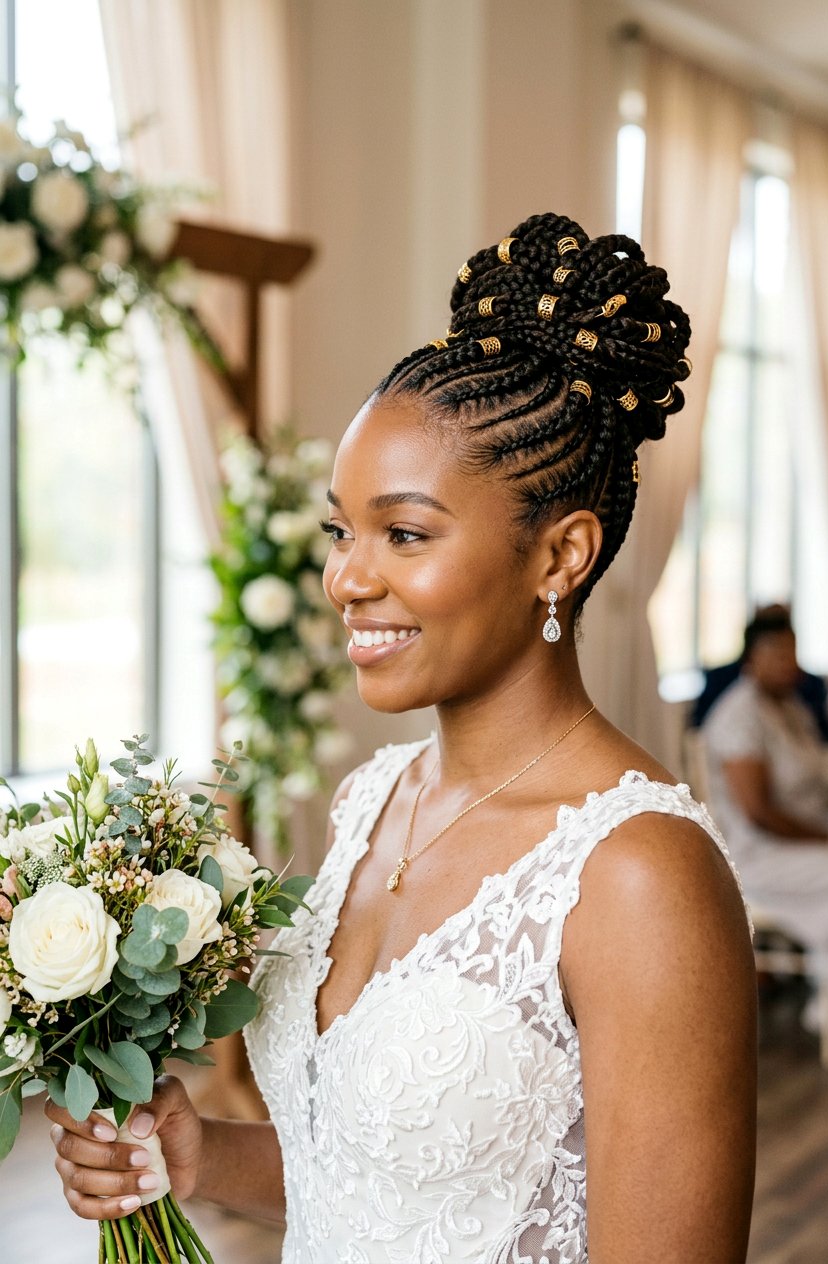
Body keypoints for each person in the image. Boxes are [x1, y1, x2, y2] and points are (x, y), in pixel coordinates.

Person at [47, 213, 756, 1262]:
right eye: (340, 529)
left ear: (559, 555)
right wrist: (198, 1157)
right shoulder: (371, 798)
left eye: (405, 533)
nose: (346, 577)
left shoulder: (639, 875)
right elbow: (379, 1178)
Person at [703, 607, 828, 1042]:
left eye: (793, 653)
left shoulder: (792, 709)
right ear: (752, 660)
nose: (791, 665)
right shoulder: (738, 718)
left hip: (810, 829)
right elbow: (759, 812)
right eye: (779, 655)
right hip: (760, 853)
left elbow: (820, 778)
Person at [690, 603, 828, 741]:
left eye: (791, 653)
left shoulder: (796, 699)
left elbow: (821, 741)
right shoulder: (739, 712)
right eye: (779, 656)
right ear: (752, 657)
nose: (787, 665)